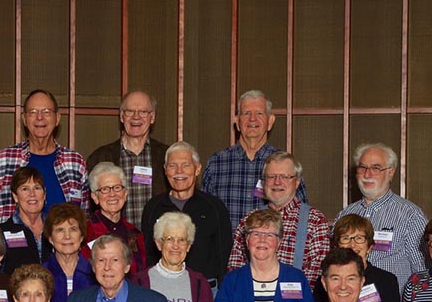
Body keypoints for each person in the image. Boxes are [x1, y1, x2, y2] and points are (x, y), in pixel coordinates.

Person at [202, 90, 306, 230]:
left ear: (270, 121)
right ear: (237, 122)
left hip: (275, 251)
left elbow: (301, 217)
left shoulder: (286, 166)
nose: (252, 119)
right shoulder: (216, 164)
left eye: (259, 113)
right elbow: (205, 217)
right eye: (246, 113)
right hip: (226, 251)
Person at [225, 151, 330, 288]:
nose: (277, 182)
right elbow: (235, 268)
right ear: (264, 182)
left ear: (297, 181)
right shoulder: (248, 220)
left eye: (285, 177)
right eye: (271, 176)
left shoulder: (315, 221)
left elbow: (316, 278)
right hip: (249, 301)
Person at [0, 89, 88, 224]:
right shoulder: (3, 161)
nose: (40, 117)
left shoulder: (75, 163)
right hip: (11, 244)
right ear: (24, 119)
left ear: (57, 118)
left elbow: (84, 218)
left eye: (46, 112)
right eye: (33, 112)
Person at [334, 143, 427, 294]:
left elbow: (421, 270)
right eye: (362, 167)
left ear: (391, 172)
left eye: (376, 168)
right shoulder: (344, 215)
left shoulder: (410, 215)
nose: (367, 174)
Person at [140, 141, 232, 288]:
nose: (179, 172)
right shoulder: (153, 208)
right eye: (172, 166)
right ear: (165, 170)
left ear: (197, 169)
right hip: (161, 287)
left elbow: (223, 254)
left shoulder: (214, 207)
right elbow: (148, 254)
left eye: (186, 165)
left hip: (206, 289)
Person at [86, 91, 168, 226]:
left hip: (157, 243)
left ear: (152, 117)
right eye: (130, 111)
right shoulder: (99, 158)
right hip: (113, 241)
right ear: (122, 116)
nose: (136, 117)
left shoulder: (166, 157)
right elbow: (88, 209)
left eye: (143, 112)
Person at [313, 214, 401, 302]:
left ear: (369, 247)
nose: (352, 245)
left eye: (359, 238)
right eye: (346, 238)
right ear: (336, 246)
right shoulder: (325, 281)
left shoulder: (387, 281)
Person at [83, 162, 146, 275]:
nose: (112, 194)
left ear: (125, 194)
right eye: (105, 189)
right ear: (95, 197)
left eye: (117, 188)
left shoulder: (135, 234)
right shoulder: (86, 232)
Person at [42, 203, 96, 302]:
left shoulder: (95, 273)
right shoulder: (40, 275)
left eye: (73, 229)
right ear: (50, 238)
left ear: (81, 237)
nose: (67, 236)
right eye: (60, 230)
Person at [0, 167, 53, 273]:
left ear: (44, 194)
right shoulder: (0, 232)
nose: (32, 194)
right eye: (25, 189)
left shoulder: (55, 227)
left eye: (37, 188)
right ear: (15, 197)